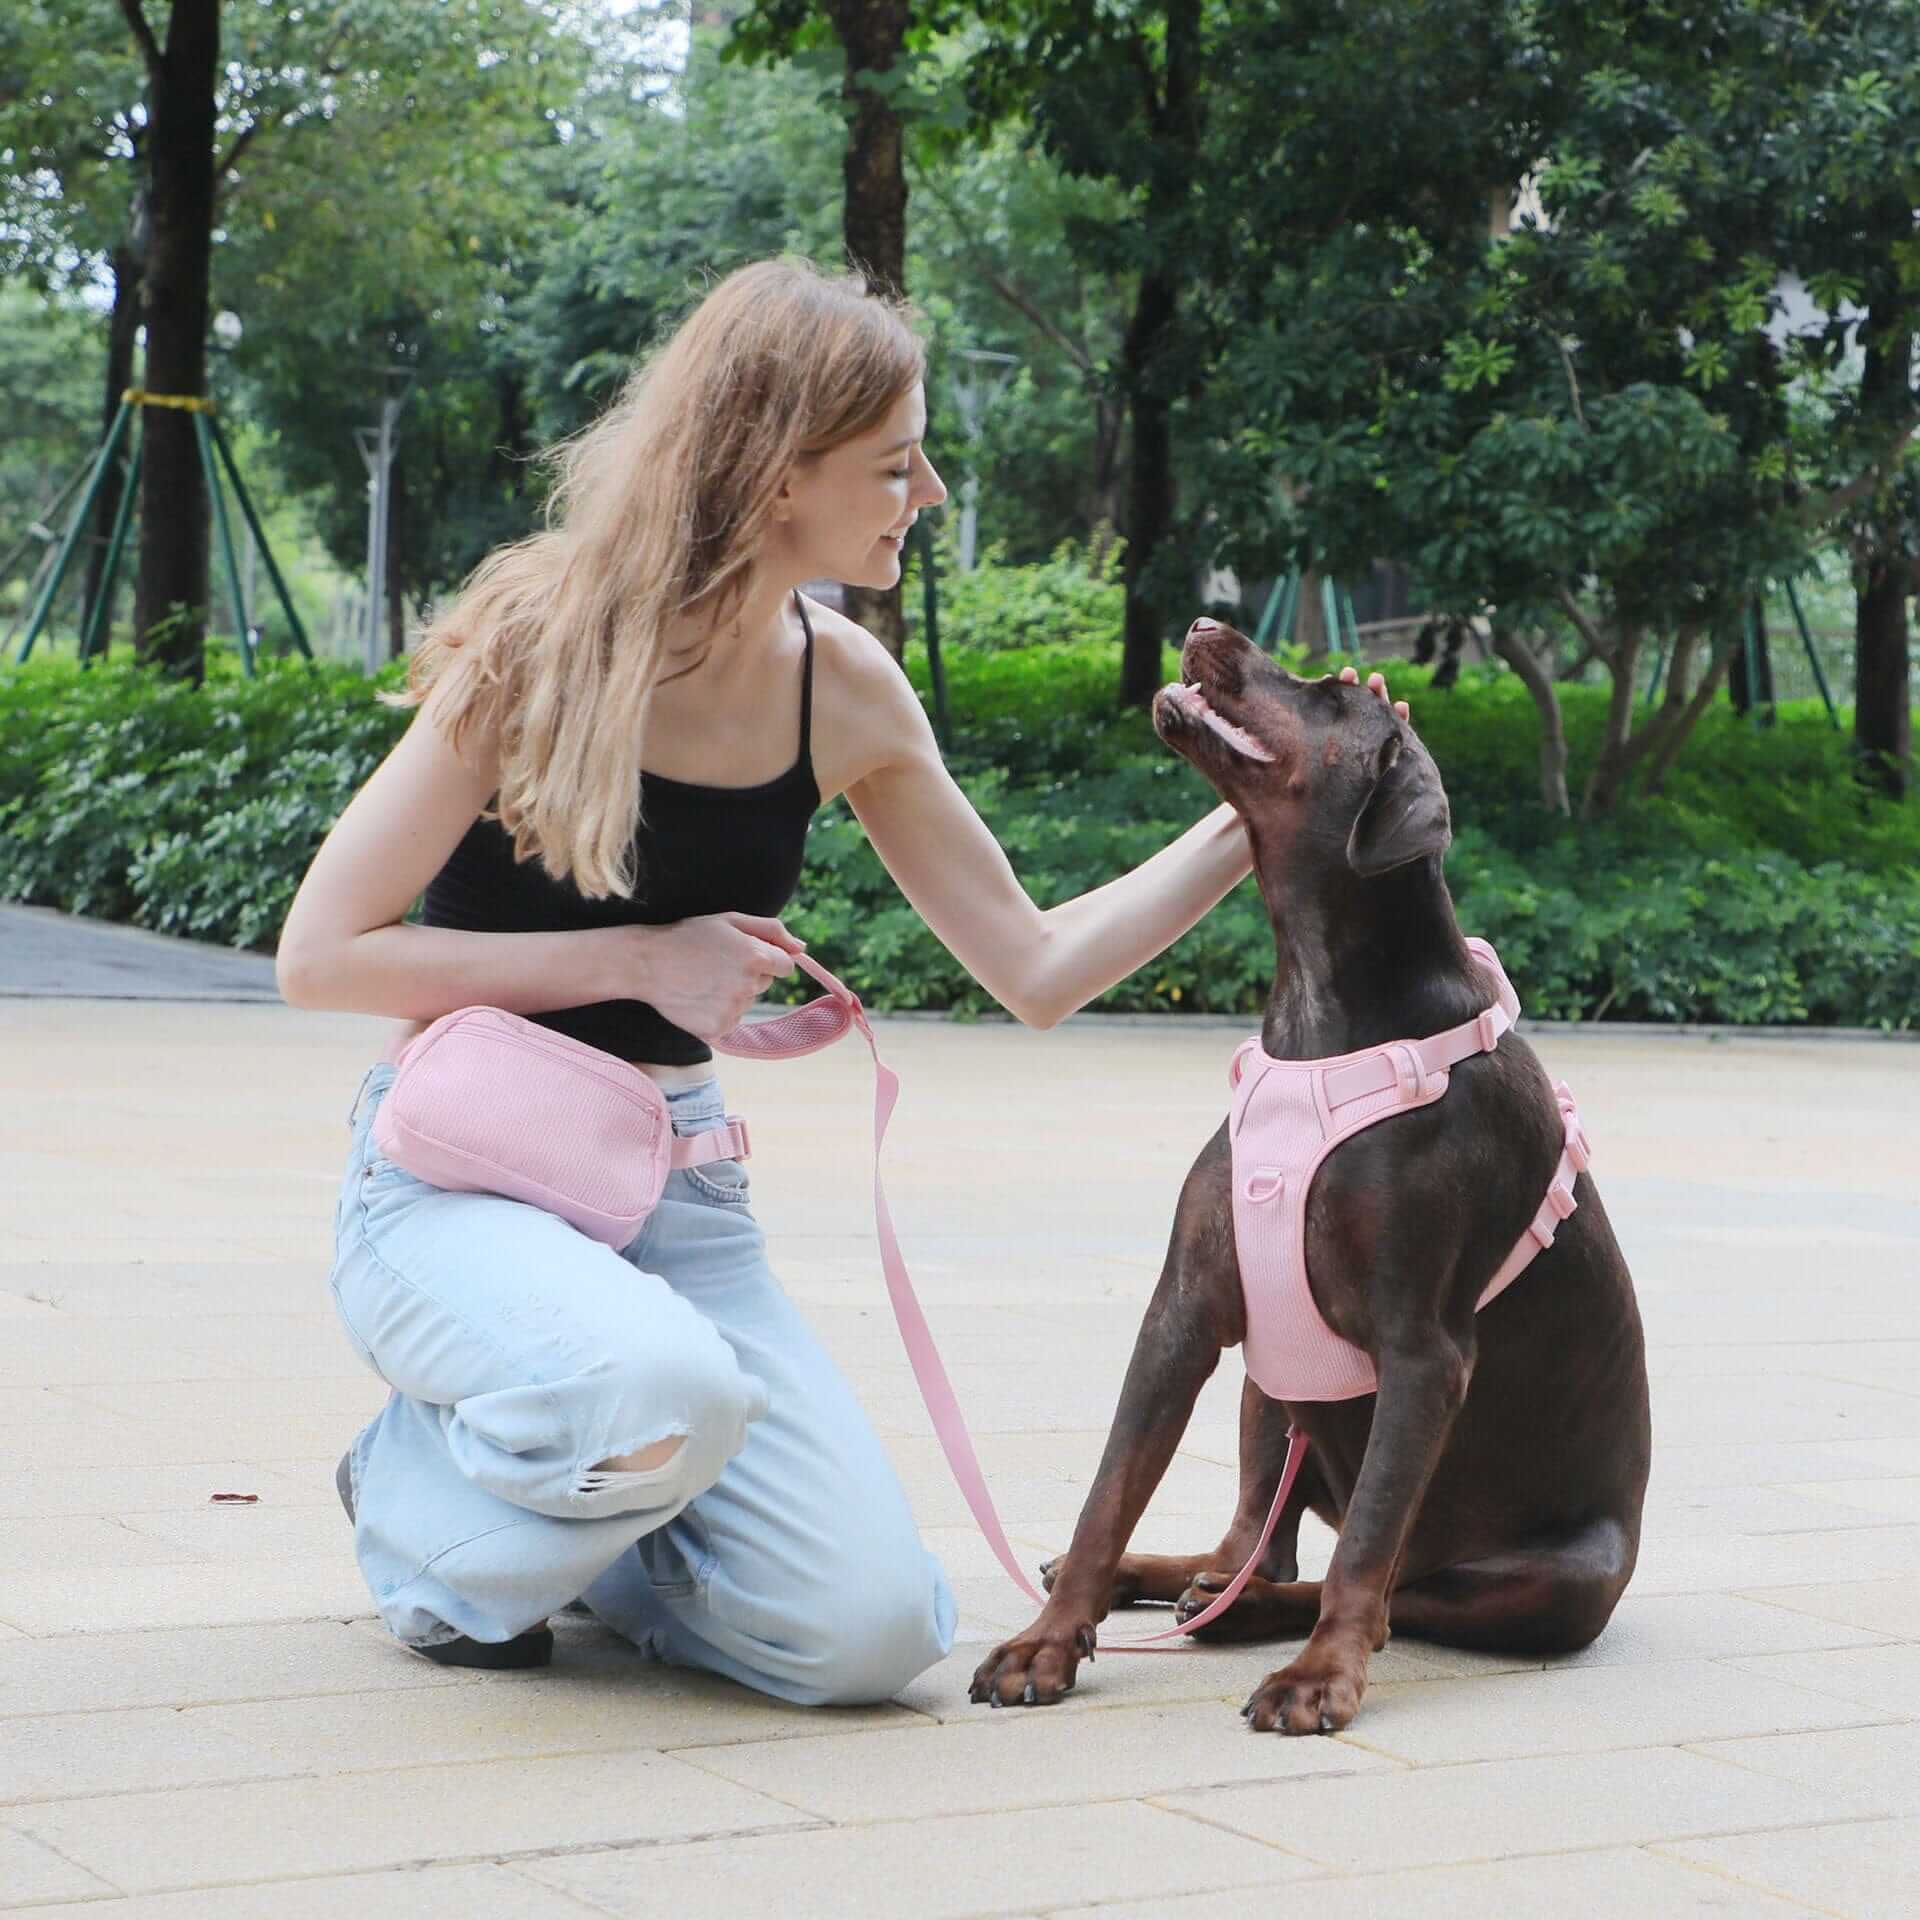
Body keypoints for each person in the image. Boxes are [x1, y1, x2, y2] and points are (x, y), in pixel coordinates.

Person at [276, 256, 1403, 1706]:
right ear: (774, 473)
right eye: (893, 461)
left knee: (870, 1634)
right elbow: (323, 955)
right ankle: (427, 1500)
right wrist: (635, 958)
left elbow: (1037, 966)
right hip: (452, 1191)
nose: (925, 490)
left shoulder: (844, 688)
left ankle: (597, 1502)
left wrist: (1267, 805)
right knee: (657, 1390)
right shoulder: (538, 651)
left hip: (677, 1198)